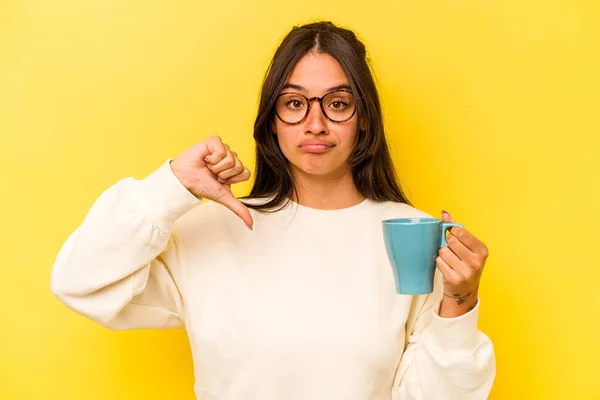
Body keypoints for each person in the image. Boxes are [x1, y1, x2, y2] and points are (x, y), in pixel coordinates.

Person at [51, 21, 495, 399]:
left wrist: (461, 298)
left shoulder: (410, 235)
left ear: (364, 118)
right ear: (272, 120)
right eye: (294, 103)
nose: (315, 123)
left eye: (338, 103)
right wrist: (171, 185)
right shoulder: (212, 229)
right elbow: (81, 283)